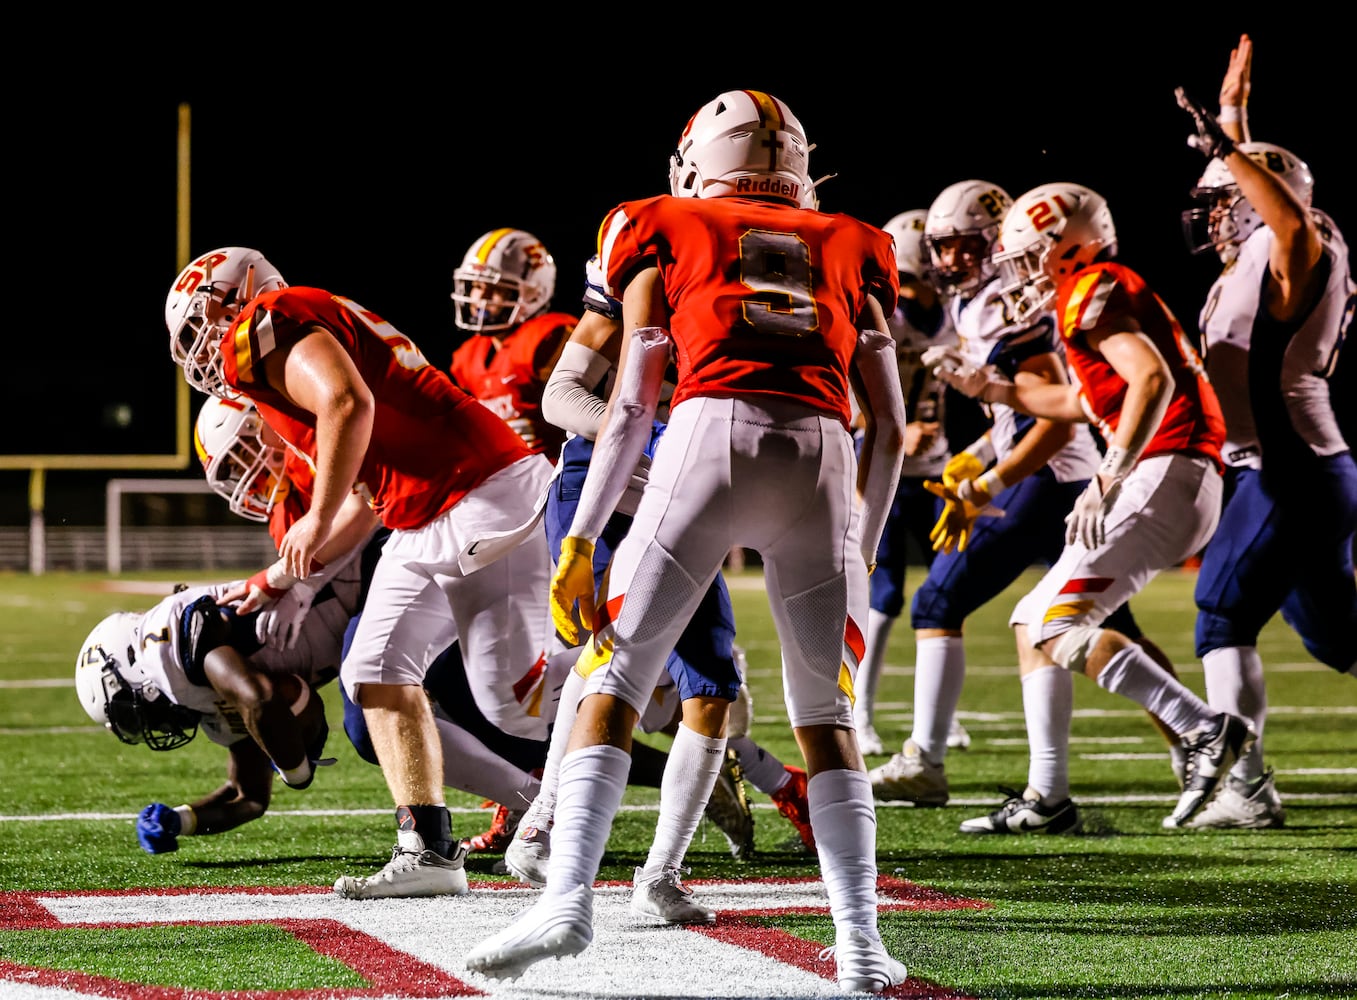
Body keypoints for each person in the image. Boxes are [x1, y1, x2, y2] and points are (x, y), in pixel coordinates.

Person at [464, 89, 910, 993]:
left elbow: (630, 402)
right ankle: (859, 946)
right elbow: (892, 428)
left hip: (706, 438)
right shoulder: (857, 239)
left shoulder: (656, 220)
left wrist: (585, 536)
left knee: (612, 680)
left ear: (700, 158)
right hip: (823, 458)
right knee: (823, 715)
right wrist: (860, 534)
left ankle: (566, 905)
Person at [165, 247, 556, 899]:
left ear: (241, 292)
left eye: (202, 316)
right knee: (373, 669)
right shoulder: (284, 355)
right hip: (422, 508)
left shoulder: (270, 318)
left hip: (477, 489)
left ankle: (638, 689)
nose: (199, 342)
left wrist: (311, 521)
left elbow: (348, 404)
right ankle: (428, 850)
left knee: (511, 704)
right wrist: (280, 579)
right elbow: (363, 496)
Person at [927, 181, 1257, 833]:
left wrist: (1108, 474)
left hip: (1165, 468)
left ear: (1063, 247)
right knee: (1031, 621)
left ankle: (1202, 728)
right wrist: (989, 387)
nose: (1019, 274)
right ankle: (1046, 798)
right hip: (1171, 470)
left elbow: (1151, 380)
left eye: (1026, 257)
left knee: (1055, 624)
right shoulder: (1090, 296)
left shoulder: (1092, 286)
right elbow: (1084, 403)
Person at [501, 256, 814, 909]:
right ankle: (541, 823)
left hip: (689, 494)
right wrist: (647, 435)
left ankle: (660, 875)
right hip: (605, 485)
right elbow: (561, 395)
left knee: (713, 685)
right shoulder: (648, 264)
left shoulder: (777, 280)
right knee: (610, 652)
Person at [194, 394, 554, 854]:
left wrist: (291, 580)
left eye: (239, 457)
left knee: (489, 694)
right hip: (399, 587)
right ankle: (535, 798)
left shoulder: (315, 443)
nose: (243, 477)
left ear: (258, 423)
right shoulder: (284, 516)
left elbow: (366, 504)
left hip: (448, 538)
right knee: (400, 712)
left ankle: (540, 797)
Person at [868, 180, 1108, 807]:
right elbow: (1015, 421)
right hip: (1060, 475)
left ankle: (926, 760)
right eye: (942, 249)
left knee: (937, 602)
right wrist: (975, 461)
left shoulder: (1003, 305)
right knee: (1104, 630)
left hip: (1049, 479)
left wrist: (986, 484)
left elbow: (1051, 418)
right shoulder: (983, 305)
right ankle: (1203, 737)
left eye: (961, 248)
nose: (948, 262)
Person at [1173, 40, 1356, 829]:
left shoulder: (1294, 245)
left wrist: (1226, 144)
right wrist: (1235, 124)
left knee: (1220, 614)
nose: (1212, 217)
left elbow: (1284, 213)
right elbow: (1274, 199)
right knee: (1333, 636)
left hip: (1287, 468)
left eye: (1223, 199)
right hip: (1300, 469)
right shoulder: (1261, 250)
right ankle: (1244, 783)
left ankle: (1244, 788)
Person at [73, 559, 361, 854]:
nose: (149, 725)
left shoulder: (166, 652)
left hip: (356, 589)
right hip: (351, 631)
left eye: (129, 715)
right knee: (366, 734)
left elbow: (259, 698)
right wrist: (180, 820)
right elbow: (249, 798)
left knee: (365, 732)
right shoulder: (201, 698)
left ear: (131, 662)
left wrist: (297, 774)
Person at [851, 208, 968, 757]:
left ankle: (938, 709)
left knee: (948, 589)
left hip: (936, 466)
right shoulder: (879, 314)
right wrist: (894, 425)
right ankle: (861, 711)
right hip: (883, 463)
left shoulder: (953, 313)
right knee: (887, 591)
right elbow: (848, 398)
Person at [448, 228, 575, 464]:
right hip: (508, 476)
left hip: (557, 471)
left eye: (495, 289)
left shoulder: (547, 338)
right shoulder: (468, 357)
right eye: (476, 286)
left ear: (533, 294)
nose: (478, 299)